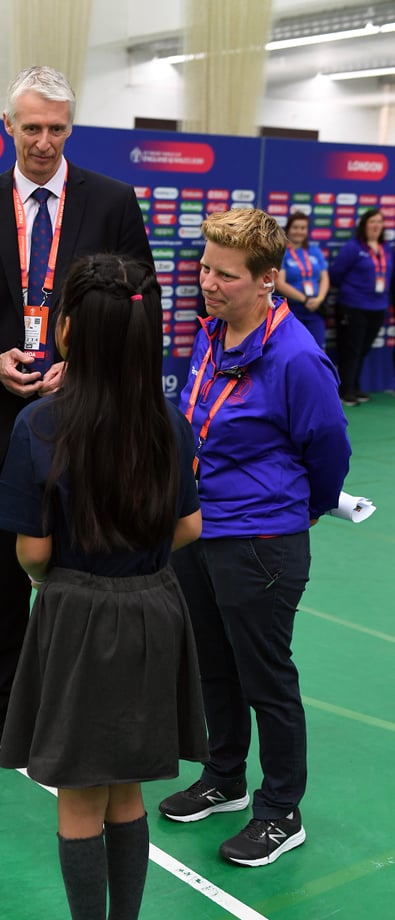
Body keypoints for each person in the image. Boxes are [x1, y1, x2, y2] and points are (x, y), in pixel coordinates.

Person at [0, 253, 208, 920]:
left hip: (79, 615)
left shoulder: (42, 424)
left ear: (69, 331)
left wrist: (60, 585)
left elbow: (34, 551)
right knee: (126, 794)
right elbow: (188, 525)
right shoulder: (168, 423)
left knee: (79, 793)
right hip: (154, 609)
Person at [0, 66, 153, 757]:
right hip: (6, 422)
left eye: (56, 128)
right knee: (6, 573)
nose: (42, 141)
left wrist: (85, 363)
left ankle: (85, 699)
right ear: (7, 127)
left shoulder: (113, 201)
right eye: (30, 127)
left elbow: (137, 305)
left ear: (70, 128)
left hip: (90, 421)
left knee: (88, 571)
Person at [158, 208, 351, 868]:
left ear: (267, 280)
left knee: (264, 677)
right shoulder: (210, 334)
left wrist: (307, 509)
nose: (207, 283)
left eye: (225, 275)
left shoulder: (296, 357)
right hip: (198, 529)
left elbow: (327, 448)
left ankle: (279, 810)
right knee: (212, 663)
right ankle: (224, 778)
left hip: (261, 539)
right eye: (204, 267)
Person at [330, 206, 393, 406]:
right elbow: (335, 274)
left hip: (378, 306)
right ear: (364, 225)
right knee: (351, 349)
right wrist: (354, 291)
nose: (376, 226)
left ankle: (355, 386)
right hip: (353, 306)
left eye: (379, 222)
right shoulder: (353, 248)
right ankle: (345, 389)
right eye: (371, 222)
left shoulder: (386, 249)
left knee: (364, 349)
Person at [275, 210, 329, 348]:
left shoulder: (314, 250)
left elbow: (324, 278)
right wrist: (304, 299)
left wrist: (319, 299)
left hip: (314, 309)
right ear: (288, 229)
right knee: (292, 350)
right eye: (295, 227)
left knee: (318, 351)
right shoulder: (281, 251)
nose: (299, 231)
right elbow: (279, 283)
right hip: (291, 309)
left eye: (303, 228)